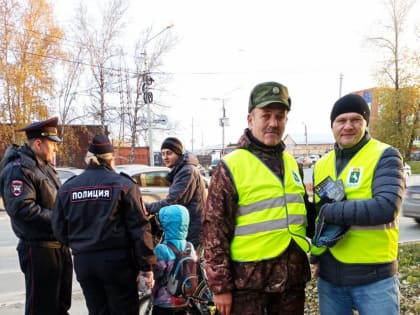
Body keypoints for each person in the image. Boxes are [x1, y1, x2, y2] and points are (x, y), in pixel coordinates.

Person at [202, 81, 316, 315]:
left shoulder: (291, 163)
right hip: (249, 287)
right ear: (250, 119)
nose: (273, 123)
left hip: (290, 284)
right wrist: (220, 286)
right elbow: (214, 231)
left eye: (280, 116)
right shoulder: (230, 166)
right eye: (266, 115)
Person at [311, 93, 404, 315]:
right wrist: (316, 256)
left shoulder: (386, 155)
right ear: (332, 126)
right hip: (331, 279)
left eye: (356, 120)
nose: (348, 126)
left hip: (374, 277)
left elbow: (385, 207)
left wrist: (331, 210)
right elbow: (319, 219)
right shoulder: (321, 164)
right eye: (341, 121)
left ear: (366, 123)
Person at [51, 134, 157, 315]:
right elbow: (139, 229)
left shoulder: (68, 188)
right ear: (111, 158)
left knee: (97, 310)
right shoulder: (124, 185)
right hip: (118, 262)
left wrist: (80, 245)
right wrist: (146, 266)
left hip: (85, 262)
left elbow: (59, 228)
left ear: (88, 158)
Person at [0, 117, 73, 315]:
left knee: (60, 306)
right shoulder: (19, 169)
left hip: (57, 246)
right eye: (53, 144)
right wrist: (60, 219)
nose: (56, 149)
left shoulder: (44, 166)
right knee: (41, 308)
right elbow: (23, 209)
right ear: (38, 143)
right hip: (39, 249)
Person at [145, 137, 206, 248]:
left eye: (169, 153)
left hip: (192, 227)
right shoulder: (182, 169)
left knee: (188, 263)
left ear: (178, 153)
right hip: (188, 226)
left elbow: (173, 201)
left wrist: (148, 207)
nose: (165, 157)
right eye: (163, 154)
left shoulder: (187, 171)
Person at [151, 204, 197, 315]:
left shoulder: (162, 249)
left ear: (166, 225)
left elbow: (156, 274)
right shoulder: (189, 247)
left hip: (164, 303)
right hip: (184, 301)